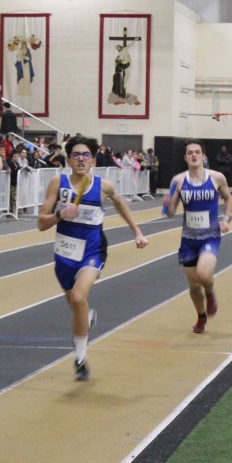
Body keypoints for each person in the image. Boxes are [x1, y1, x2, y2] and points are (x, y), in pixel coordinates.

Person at [38, 134, 148, 380]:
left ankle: (80, 359)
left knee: (79, 297)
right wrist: (61, 215)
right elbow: (41, 223)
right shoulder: (58, 183)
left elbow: (120, 204)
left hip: (92, 249)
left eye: (85, 155)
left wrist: (138, 232)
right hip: (64, 253)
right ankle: (86, 317)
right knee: (76, 305)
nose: (81, 159)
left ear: (93, 160)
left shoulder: (103, 186)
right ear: (68, 160)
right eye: (76, 155)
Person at [165, 139, 232, 334]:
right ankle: (201, 316)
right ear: (185, 157)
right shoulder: (178, 181)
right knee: (194, 285)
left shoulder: (216, 177)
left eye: (197, 152)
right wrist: (168, 205)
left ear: (204, 156)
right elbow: (170, 213)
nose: (194, 155)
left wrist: (226, 219)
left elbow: (228, 198)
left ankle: (210, 292)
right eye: (190, 152)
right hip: (188, 240)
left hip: (210, 236)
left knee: (204, 274)